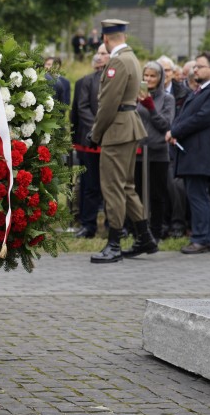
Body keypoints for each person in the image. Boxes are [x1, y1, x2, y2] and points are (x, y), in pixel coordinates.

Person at [88, 19, 156, 263]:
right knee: (126, 186)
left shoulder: (117, 61)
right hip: (128, 126)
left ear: (105, 38)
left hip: (117, 130)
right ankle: (144, 235)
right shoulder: (132, 58)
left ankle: (114, 242)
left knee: (113, 187)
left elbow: (108, 104)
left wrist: (96, 133)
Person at [166, 51, 210, 254]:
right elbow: (184, 115)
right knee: (196, 195)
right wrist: (174, 131)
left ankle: (202, 239)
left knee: (198, 196)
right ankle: (206, 239)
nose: (195, 70)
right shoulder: (199, 91)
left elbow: (201, 118)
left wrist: (175, 131)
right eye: (195, 67)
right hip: (189, 152)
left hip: (200, 153)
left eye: (199, 66)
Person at [71, 44, 109, 239]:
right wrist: (97, 128)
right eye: (99, 53)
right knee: (90, 185)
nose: (100, 56)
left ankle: (114, 225)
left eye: (105, 53)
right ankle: (88, 225)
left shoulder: (118, 80)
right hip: (91, 140)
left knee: (112, 185)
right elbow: (82, 107)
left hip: (112, 140)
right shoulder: (87, 81)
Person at [134, 61, 175, 240]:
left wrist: (151, 107)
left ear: (160, 79)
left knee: (157, 195)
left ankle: (157, 231)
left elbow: (165, 125)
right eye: (146, 75)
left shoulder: (167, 98)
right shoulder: (135, 96)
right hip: (138, 151)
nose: (149, 79)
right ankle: (139, 231)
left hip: (158, 151)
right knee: (137, 193)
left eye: (153, 76)